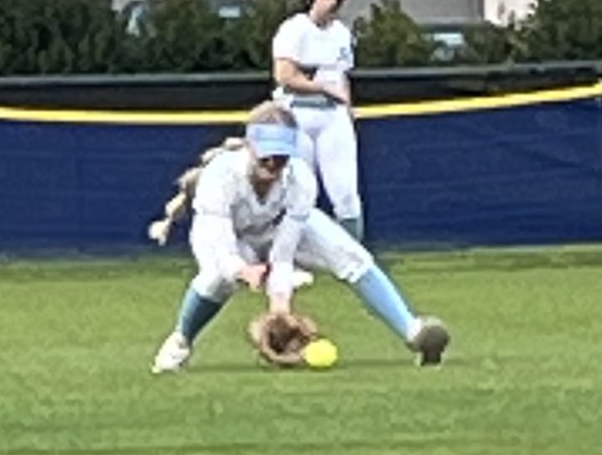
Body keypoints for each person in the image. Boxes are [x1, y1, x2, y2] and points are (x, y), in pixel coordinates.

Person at [149, 101, 449, 375]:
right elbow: (222, 247)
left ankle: (415, 333)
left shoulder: (300, 178)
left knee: (350, 254)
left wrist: (280, 307)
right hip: (227, 236)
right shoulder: (220, 176)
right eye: (266, 154)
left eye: (280, 156)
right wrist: (244, 270)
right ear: (250, 146)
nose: (273, 163)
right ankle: (180, 342)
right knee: (217, 278)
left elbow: (283, 253)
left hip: (275, 226)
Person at [271, 0, 363, 240]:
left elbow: (341, 76)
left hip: (332, 115)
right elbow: (285, 75)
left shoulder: (341, 34)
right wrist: (321, 87)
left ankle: (352, 253)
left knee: (345, 190)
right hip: (297, 113)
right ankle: (297, 251)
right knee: (300, 189)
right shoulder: (294, 28)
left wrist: (347, 109)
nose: (330, 3)